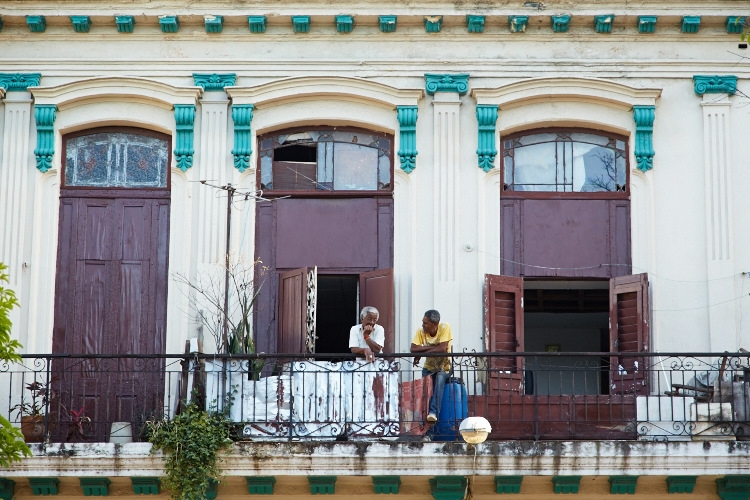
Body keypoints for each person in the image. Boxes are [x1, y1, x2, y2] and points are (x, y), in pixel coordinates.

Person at [410, 309, 452, 423]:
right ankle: (422, 421)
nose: (423, 325)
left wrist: (421, 352)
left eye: (425, 323)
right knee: (425, 393)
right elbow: (413, 349)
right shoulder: (421, 331)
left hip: (444, 367)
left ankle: (433, 412)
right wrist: (432, 349)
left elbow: (443, 348)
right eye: (423, 322)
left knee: (439, 379)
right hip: (428, 367)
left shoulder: (444, 327)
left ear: (435, 324)